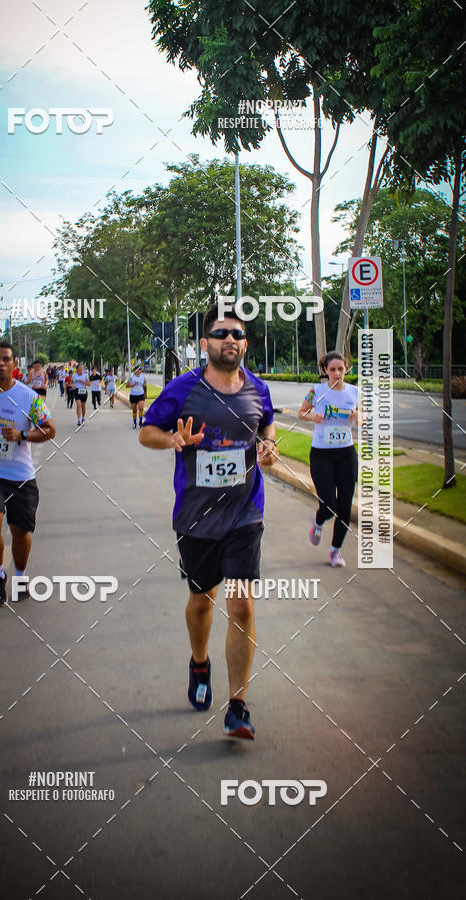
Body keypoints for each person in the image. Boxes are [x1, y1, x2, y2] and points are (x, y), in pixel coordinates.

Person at [139, 304, 276, 740]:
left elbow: (267, 425)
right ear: (205, 343)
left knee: (242, 604)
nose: (229, 341)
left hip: (245, 513)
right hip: (197, 516)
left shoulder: (257, 388)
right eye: (220, 334)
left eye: (237, 334)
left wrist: (267, 447)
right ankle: (200, 662)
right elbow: (147, 431)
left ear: (245, 342)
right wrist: (173, 439)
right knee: (202, 600)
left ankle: (238, 706)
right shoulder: (183, 388)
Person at [0, 342, 56, 605]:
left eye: (6, 359)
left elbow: (49, 429)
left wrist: (23, 434)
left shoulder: (29, 397)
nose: (0, 364)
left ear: (14, 364)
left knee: (21, 532)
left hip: (20, 475)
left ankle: (20, 576)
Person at [298, 351, 359, 568]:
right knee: (329, 504)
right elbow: (301, 413)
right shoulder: (317, 390)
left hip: (346, 454)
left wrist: (357, 417)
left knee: (344, 506)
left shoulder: (354, 391)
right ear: (325, 370)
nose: (336, 373)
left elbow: (363, 417)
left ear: (346, 369)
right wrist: (312, 416)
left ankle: (335, 552)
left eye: (340, 369)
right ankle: (318, 520)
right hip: (322, 454)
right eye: (332, 369)